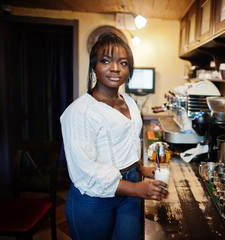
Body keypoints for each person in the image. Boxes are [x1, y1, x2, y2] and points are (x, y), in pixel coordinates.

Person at [60, 34, 168, 240]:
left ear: (129, 69)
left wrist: (140, 168)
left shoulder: (129, 102)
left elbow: (127, 143)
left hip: (129, 188)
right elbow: (85, 171)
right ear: (94, 66)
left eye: (123, 62)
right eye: (106, 61)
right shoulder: (79, 112)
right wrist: (135, 189)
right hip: (94, 199)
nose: (116, 68)